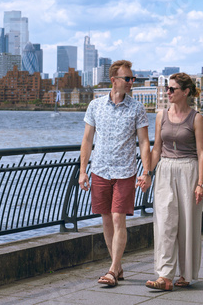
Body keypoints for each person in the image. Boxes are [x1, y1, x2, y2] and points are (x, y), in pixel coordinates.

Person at [79, 59, 152, 287]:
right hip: (99, 170)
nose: (132, 82)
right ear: (114, 80)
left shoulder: (137, 108)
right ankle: (117, 267)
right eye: (127, 78)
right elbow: (87, 140)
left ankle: (111, 270)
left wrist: (146, 171)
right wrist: (83, 171)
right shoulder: (95, 106)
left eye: (133, 79)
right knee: (107, 220)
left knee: (119, 218)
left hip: (125, 172)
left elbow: (143, 142)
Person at [145, 72, 203, 291]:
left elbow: (201, 153)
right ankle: (164, 276)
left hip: (188, 170)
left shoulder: (196, 118)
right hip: (164, 169)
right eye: (167, 89)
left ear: (186, 92)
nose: (168, 92)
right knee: (164, 223)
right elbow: (156, 148)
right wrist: (146, 173)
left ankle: (186, 274)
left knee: (187, 225)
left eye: (173, 89)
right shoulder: (161, 115)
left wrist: (201, 183)